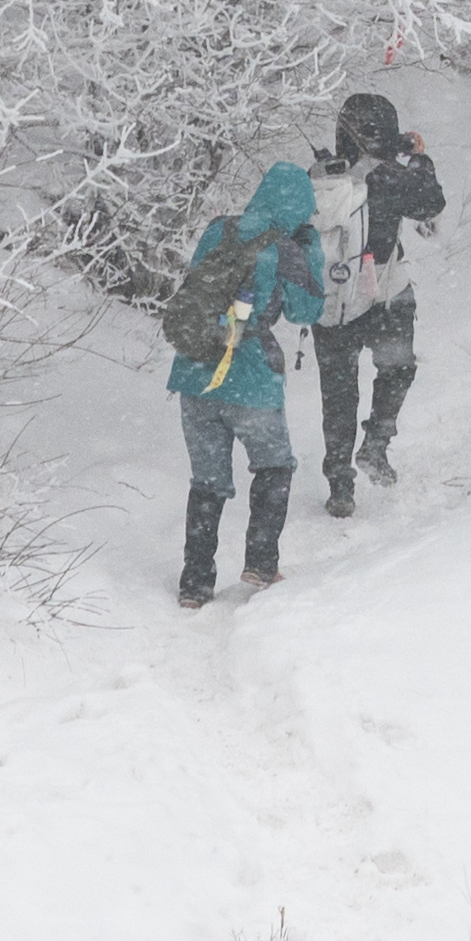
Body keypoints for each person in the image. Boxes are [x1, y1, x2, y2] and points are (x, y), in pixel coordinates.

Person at [168, 154, 326, 609]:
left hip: (195, 370)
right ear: (299, 207)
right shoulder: (288, 247)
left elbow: (195, 290)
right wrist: (310, 250)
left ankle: (194, 583)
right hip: (250, 375)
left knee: (208, 480)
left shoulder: (220, 228)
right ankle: (260, 563)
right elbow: (305, 312)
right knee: (274, 465)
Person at [310, 91, 447, 516]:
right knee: (397, 367)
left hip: (331, 302)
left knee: (338, 396)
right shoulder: (390, 177)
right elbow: (431, 202)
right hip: (382, 295)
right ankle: (375, 444)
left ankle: (339, 484)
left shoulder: (320, 177)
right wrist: (420, 160)